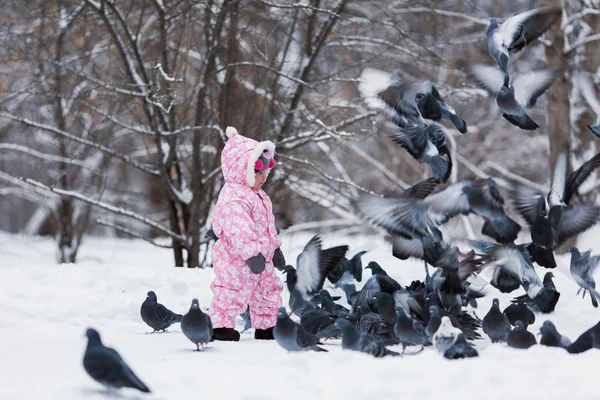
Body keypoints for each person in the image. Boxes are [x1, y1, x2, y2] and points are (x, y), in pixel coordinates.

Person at [208, 126, 286, 341]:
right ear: (241, 171)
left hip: (263, 257)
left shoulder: (258, 195)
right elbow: (238, 229)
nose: (263, 178)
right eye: (258, 173)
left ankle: (267, 326)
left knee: (268, 290)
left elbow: (268, 227)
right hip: (237, 259)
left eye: (264, 173)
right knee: (231, 290)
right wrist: (251, 254)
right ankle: (220, 326)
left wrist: (275, 248)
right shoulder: (234, 197)